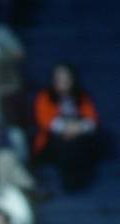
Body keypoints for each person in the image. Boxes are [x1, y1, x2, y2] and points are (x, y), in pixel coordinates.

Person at [33, 63, 99, 191]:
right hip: (51, 141)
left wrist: (77, 128)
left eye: (66, 78)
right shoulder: (44, 96)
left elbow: (92, 120)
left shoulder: (82, 96)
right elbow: (44, 121)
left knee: (77, 144)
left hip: (79, 139)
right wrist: (65, 128)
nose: (62, 82)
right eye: (59, 79)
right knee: (65, 144)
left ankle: (79, 181)